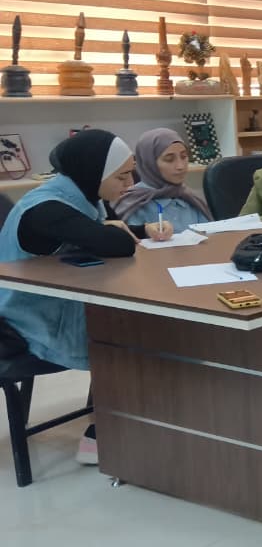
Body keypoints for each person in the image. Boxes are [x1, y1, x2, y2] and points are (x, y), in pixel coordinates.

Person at [0, 131, 146, 465]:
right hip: (23, 320)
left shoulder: (80, 194)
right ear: (93, 173)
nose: (130, 183)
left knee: (130, 323)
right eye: (122, 176)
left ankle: (124, 414)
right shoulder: (47, 208)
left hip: (52, 303)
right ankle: (105, 430)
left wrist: (135, 230)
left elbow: (108, 232)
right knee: (128, 334)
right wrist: (117, 232)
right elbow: (117, 244)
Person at [112, 128, 211, 235]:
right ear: (150, 163)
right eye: (169, 159)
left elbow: (210, 236)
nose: (180, 166)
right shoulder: (132, 203)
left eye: (184, 156)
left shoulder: (191, 198)